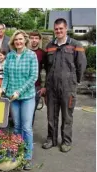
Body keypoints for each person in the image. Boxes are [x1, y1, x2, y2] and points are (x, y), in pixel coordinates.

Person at [41, 18, 87, 152]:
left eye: (61, 28)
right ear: (54, 30)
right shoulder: (49, 46)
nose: (58, 31)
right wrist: (46, 84)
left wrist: (74, 82)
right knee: (51, 116)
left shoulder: (75, 44)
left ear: (66, 29)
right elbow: (46, 66)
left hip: (68, 88)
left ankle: (66, 141)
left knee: (67, 116)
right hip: (51, 88)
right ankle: (51, 139)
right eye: (56, 29)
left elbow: (81, 65)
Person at [0, 30, 38, 170]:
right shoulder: (9, 56)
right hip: (12, 97)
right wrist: (2, 88)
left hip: (26, 97)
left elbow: (33, 77)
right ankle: (17, 151)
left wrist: (19, 91)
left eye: (20, 39)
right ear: (13, 42)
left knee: (26, 127)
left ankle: (27, 157)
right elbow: (6, 76)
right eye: (16, 40)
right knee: (17, 126)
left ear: (25, 40)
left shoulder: (31, 55)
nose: (18, 42)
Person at [28, 31, 46, 126]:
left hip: (36, 86)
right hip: (22, 86)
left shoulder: (42, 53)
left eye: (36, 38)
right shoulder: (23, 51)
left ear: (39, 40)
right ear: (28, 39)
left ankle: (27, 134)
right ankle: (19, 136)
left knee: (31, 112)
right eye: (32, 38)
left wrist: (44, 87)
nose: (34, 40)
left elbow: (46, 71)